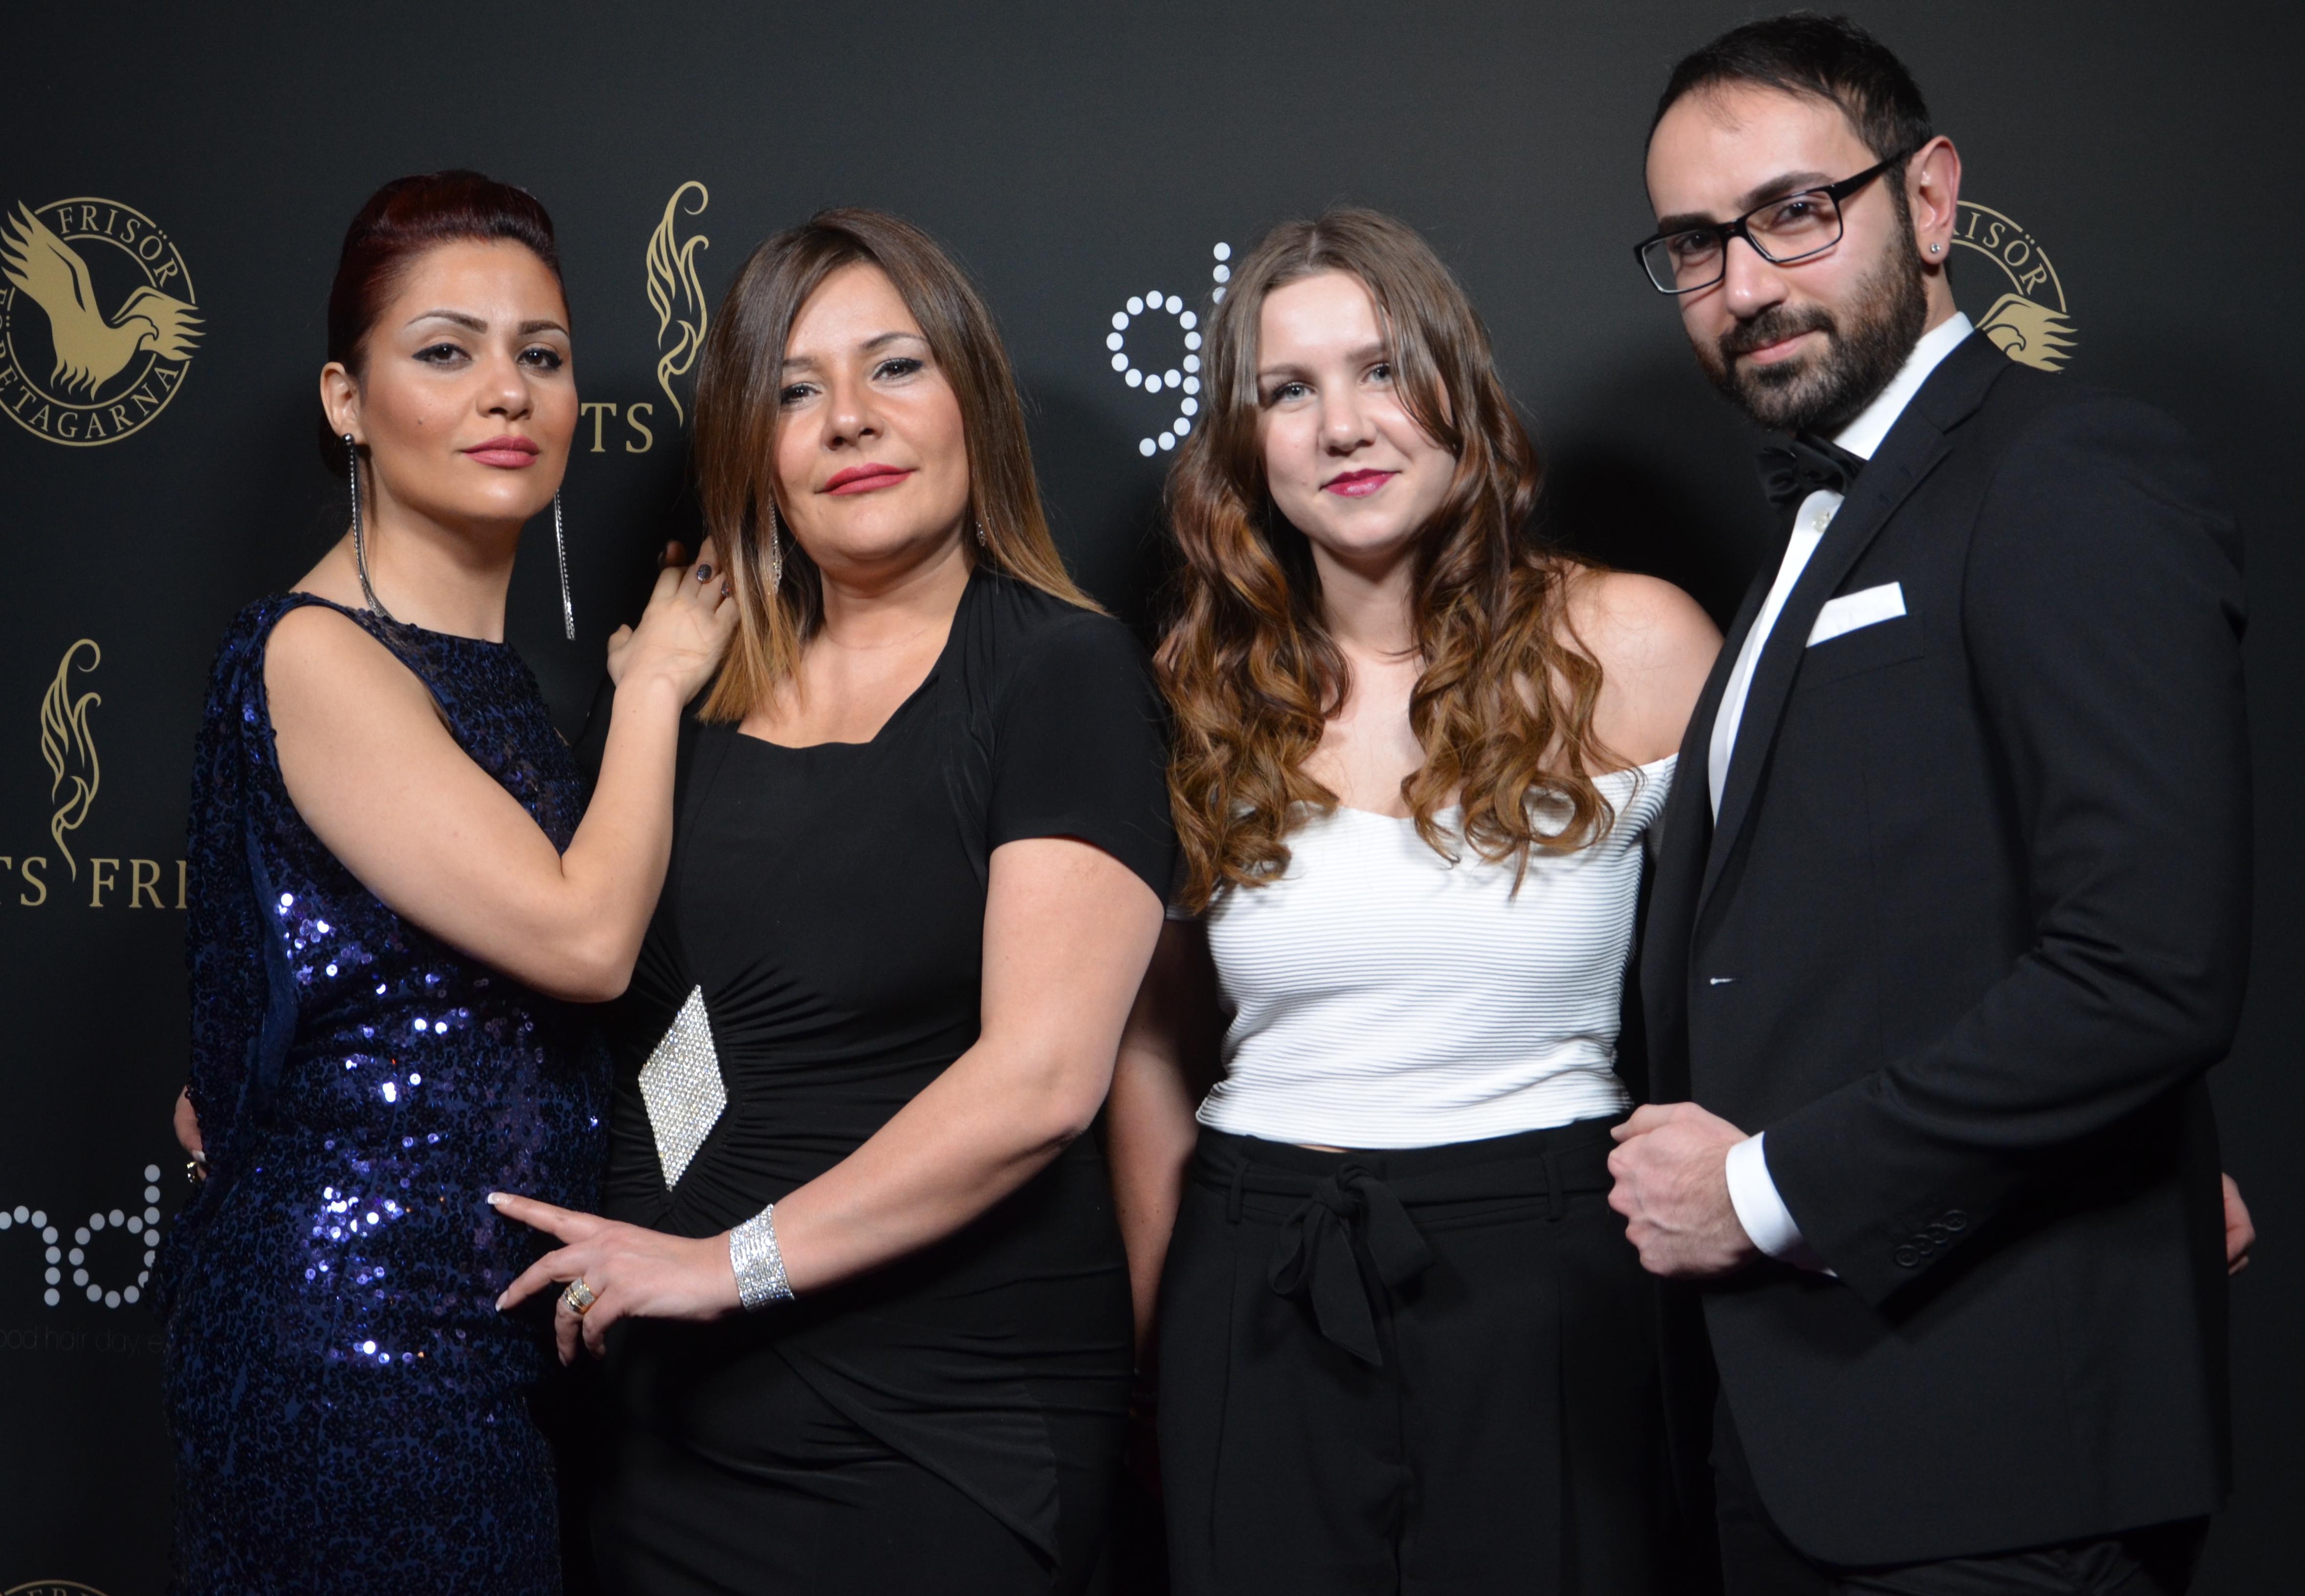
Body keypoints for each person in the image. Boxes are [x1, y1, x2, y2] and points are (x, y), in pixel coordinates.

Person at [1607, 16, 2251, 1594]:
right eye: (1694, 245)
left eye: (1793, 213)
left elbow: (2146, 970)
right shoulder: (1820, 520)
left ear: (1931, 197)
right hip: (1805, 1436)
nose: (1745, 284)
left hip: (2000, 1459)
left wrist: (1761, 1193)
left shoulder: (2065, 470)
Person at [490, 209, 1175, 1596]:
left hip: (930, 1433)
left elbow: (1043, 1082)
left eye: (895, 368)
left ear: (974, 402)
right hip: (658, 1431)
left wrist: (722, 1267)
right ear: (753, 448)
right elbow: (568, 969)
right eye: (796, 390)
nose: (850, 418)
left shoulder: (1058, 674)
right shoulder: (684, 696)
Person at [1106, 208, 1720, 1596]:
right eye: (1289, 390)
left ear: (1458, 385)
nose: (1343, 426)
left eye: (1382, 369)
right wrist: (1156, 1340)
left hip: (1553, 1270)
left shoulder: (1633, 643)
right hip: (1255, 1271)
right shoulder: (1195, 695)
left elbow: (1802, 947)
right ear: (1246, 445)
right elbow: (1150, 1045)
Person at [156, 170, 735, 1594]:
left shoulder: (497, 691)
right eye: (444, 351)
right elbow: (587, 941)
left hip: (485, 1345)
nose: (506, 392)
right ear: (346, 400)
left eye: (541, 354)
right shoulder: (316, 653)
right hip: (353, 1359)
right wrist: (655, 689)